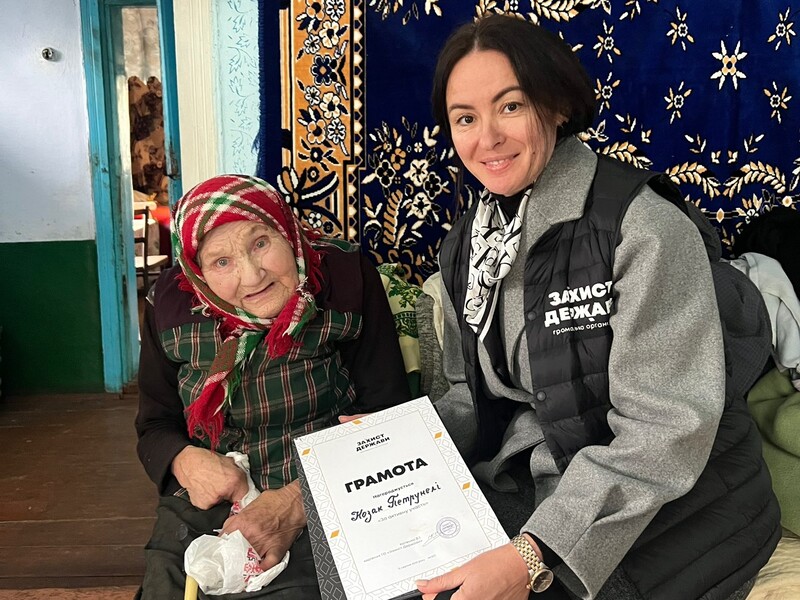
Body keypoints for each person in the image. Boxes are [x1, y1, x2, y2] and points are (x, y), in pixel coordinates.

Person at [416, 14, 781, 600]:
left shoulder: (643, 228)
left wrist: (532, 555)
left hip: (680, 516)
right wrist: (402, 441)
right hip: (545, 487)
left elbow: (665, 431)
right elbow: (470, 396)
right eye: (465, 118)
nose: (487, 138)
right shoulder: (468, 245)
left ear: (558, 105)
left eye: (511, 106)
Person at [134, 174, 411, 598]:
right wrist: (183, 460)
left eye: (260, 243)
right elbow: (155, 425)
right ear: (198, 272)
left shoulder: (344, 278)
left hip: (328, 490)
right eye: (221, 262)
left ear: (286, 231)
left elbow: (386, 416)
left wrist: (300, 499)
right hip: (208, 497)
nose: (251, 276)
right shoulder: (169, 305)